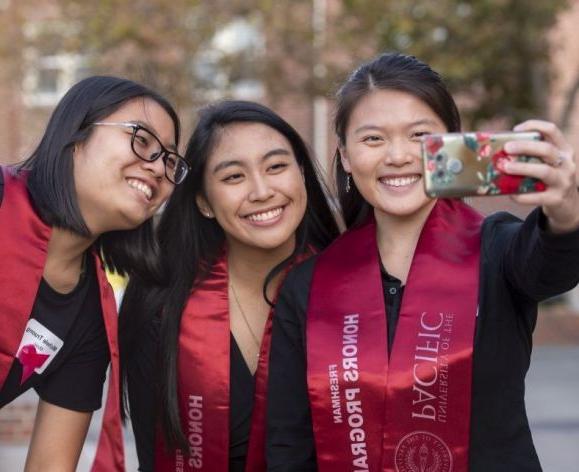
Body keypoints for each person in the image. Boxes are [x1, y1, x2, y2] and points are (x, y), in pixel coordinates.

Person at [266, 52, 579, 471]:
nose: (397, 156)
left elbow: (553, 266)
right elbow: (290, 447)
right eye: (373, 139)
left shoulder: (498, 250)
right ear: (344, 155)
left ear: (451, 142)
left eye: (418, 136)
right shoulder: (311, 286)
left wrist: (567, 212)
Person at [121, 100, 339, 471]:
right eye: (233, 177)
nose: (261, 191)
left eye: (276, 167)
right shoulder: (160, 301)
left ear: (301, 173)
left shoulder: (354, 292)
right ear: (204, 201)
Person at [0, 75, 187, 472]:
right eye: (141, 140)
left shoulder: (90, 319)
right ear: (76, 135)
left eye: (170, 161)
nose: (157, 168)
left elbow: (51, 464)